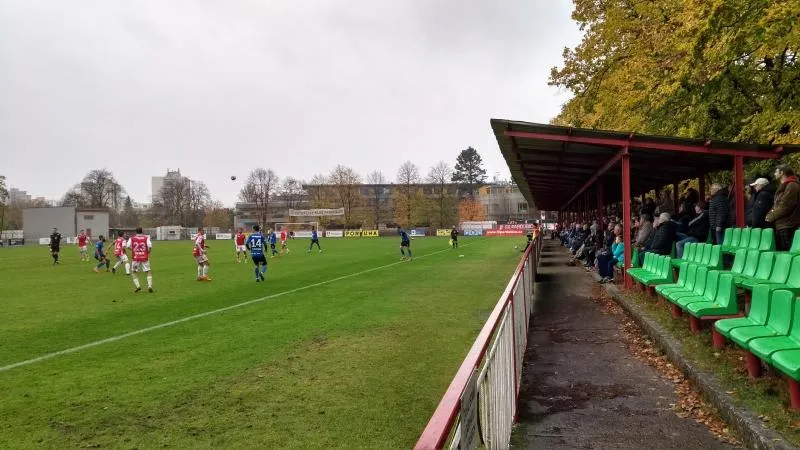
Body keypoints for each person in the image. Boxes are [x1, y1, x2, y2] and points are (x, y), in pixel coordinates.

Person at [766, 164, 800, 251]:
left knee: (787, 254)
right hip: (782, 225)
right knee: (783, 253)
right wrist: (771, 213)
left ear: (782, 173)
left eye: (776, 171)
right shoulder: (786, 185)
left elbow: (786, 205)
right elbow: (777, 205)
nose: (774, 174)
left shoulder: (792, 185)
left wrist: (771, 216)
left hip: (788, 225)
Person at [127, 227, 154, 293]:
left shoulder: (132, 238)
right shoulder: (146, 238)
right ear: (142, 231)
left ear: (136, 232)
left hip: (136, 258)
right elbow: (150, 246)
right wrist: (148, 252)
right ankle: (149, 286)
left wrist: (133, 250)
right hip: (144, 257)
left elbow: (127, 246)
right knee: (148, 271)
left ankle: (138, 286)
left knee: (134, 272)